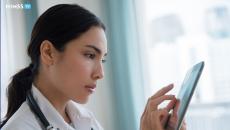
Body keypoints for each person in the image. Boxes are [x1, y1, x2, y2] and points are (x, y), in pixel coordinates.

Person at [0, 4, 186, 130]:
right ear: (48, 53)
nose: (100, 74)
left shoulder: (84, 120)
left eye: (102, 59)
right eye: (89, 55)